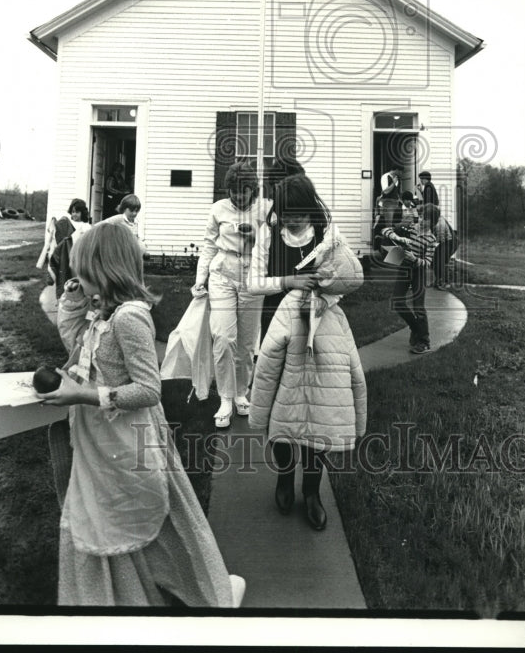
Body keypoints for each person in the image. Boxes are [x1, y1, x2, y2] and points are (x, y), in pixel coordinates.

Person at [37, 223, 244, 607]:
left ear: (105, 269)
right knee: (105, 513)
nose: (77, 278)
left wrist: (82, 393)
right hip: (100, 436)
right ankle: (125, 596)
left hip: (128, 438)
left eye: (83, 271)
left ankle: (207, 593)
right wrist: (73, 305)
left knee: (151, 515)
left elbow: (149, 389)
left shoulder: (129, 319)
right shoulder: (103, 312)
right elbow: (80, 348)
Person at [247, 174, 367, 531]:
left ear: (311, 207)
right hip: (280, 321)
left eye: (298, 213)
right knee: (283, 409)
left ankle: (312, 491)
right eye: (285, 214)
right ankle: (285, 478)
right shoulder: (268, 234)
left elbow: (348, 278)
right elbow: (252, 284)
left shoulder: (329, 234)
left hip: (321, 325)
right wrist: (290, 283)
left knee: (318, 410)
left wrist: (323, 296)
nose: (292, 221)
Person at [192, 162, 269, 428]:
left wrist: (257, 233)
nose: (237, 196)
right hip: (222, 274)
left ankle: (241, 393)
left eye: (243, 191)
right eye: (233, 191)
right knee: (224, 338)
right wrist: (200, 278)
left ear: (252, 189)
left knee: (247, 343)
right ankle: (225, 398)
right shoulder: (218, 209)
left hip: (253, 276)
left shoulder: (265, 208)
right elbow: (208, 244)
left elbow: (277, 239)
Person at [382, 203, 440, 354]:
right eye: (421, 217)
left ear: (433, 222)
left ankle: (424, 341)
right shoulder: (410, 228)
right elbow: (385, 230)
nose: (421, 220)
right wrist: (396, 236)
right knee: (397, 301)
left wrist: (414, 259)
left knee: (418, 307)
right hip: (404, 268)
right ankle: (415, 328)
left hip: (418, 272)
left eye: (426, 219)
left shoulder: (431, 240)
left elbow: (427, 263)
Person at [432, 208, 457, 289]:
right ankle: (438, 280)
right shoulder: (438, 220)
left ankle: (444, 282)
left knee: (441, 261)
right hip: (443, 242)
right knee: (435, 261)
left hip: (447, 243)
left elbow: (440, 239)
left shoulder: (440, 224)